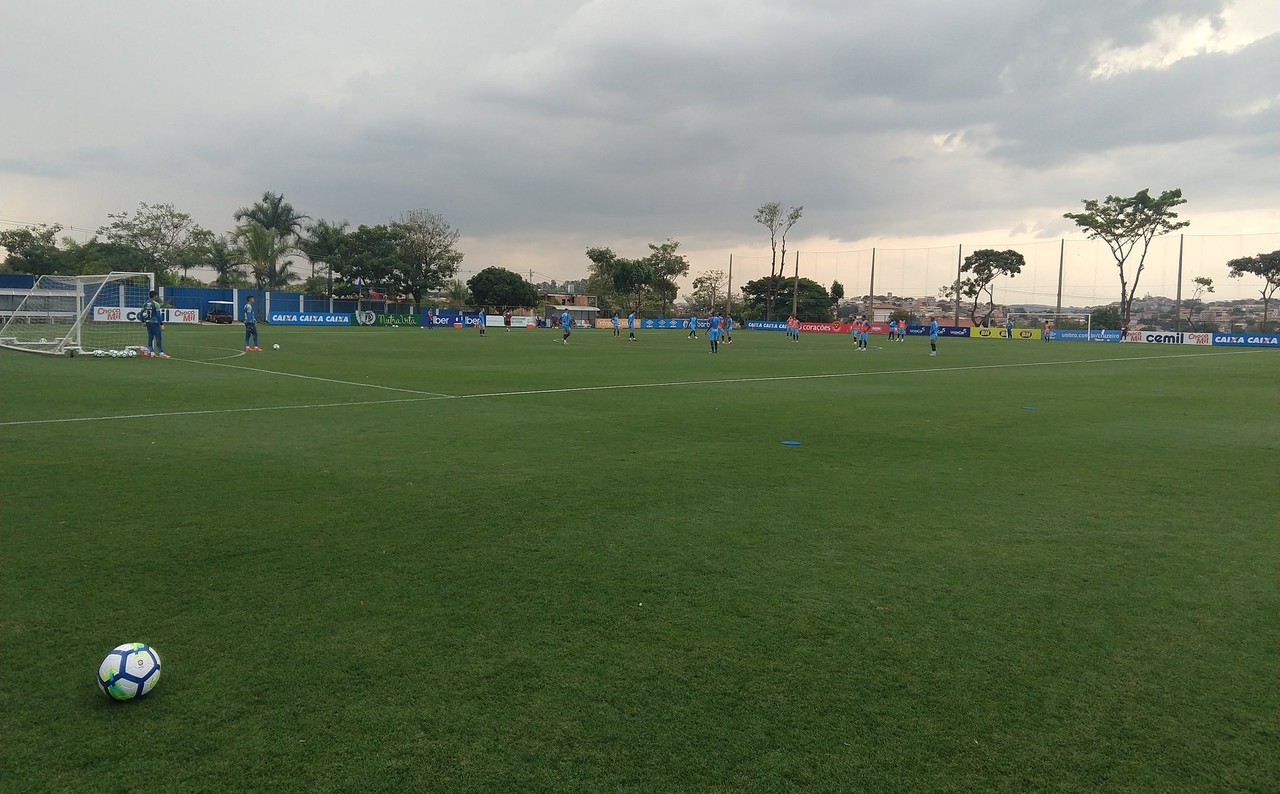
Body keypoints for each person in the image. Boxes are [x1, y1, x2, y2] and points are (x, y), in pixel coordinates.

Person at [141, 289, 167, 358]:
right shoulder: (156, 304)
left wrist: (143, 321)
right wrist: (161, 324)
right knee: (158, 337)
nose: (157, 297)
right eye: (156, 295)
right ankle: (161, 352)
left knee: (150, 337)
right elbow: (158, 316)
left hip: (148, 323)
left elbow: (141, 313)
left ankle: (152, 352)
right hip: (155, 323)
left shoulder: (145, 303)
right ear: (155, 296)